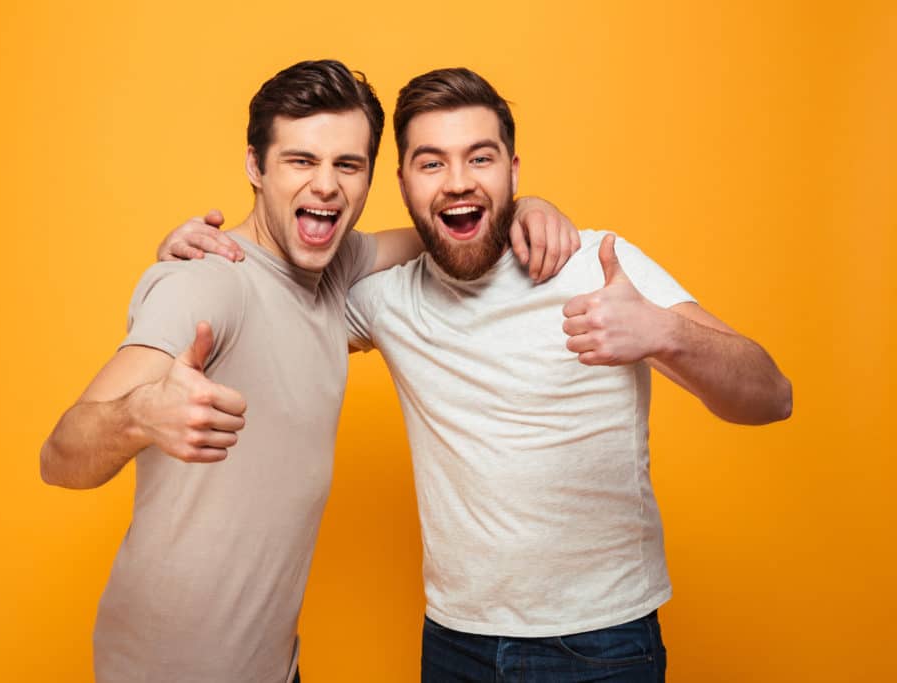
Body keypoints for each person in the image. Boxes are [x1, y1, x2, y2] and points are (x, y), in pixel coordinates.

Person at [166, 67, 792, 682]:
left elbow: (771, 396)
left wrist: (664, 332)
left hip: (600, 644)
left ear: (514, 170)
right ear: (405, 182)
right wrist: (203, 261)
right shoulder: (383, 299)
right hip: (454, 643)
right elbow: (274, 300)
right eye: (432, 163)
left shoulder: (598, 266)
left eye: (481, 158)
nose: (457, 182)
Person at [40, 60, 576, 683]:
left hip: (275, 667)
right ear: (254, 167)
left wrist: (525, 204)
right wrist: (137, 415)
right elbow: (58, 456)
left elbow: (446, 233)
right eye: (300, 161)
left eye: (347, 166)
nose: (326, 186)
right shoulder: (208, 284)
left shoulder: (339, 265)